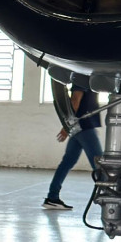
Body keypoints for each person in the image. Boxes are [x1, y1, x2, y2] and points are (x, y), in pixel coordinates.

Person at [43, 81, 102, 210]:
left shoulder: (89, 77)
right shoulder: (82, 77)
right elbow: (75, 101)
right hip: (84, 126)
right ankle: (110, 202)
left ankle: (52, 197)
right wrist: (66, 126)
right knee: (100, 165)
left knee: (67, 162)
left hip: (80, 127)